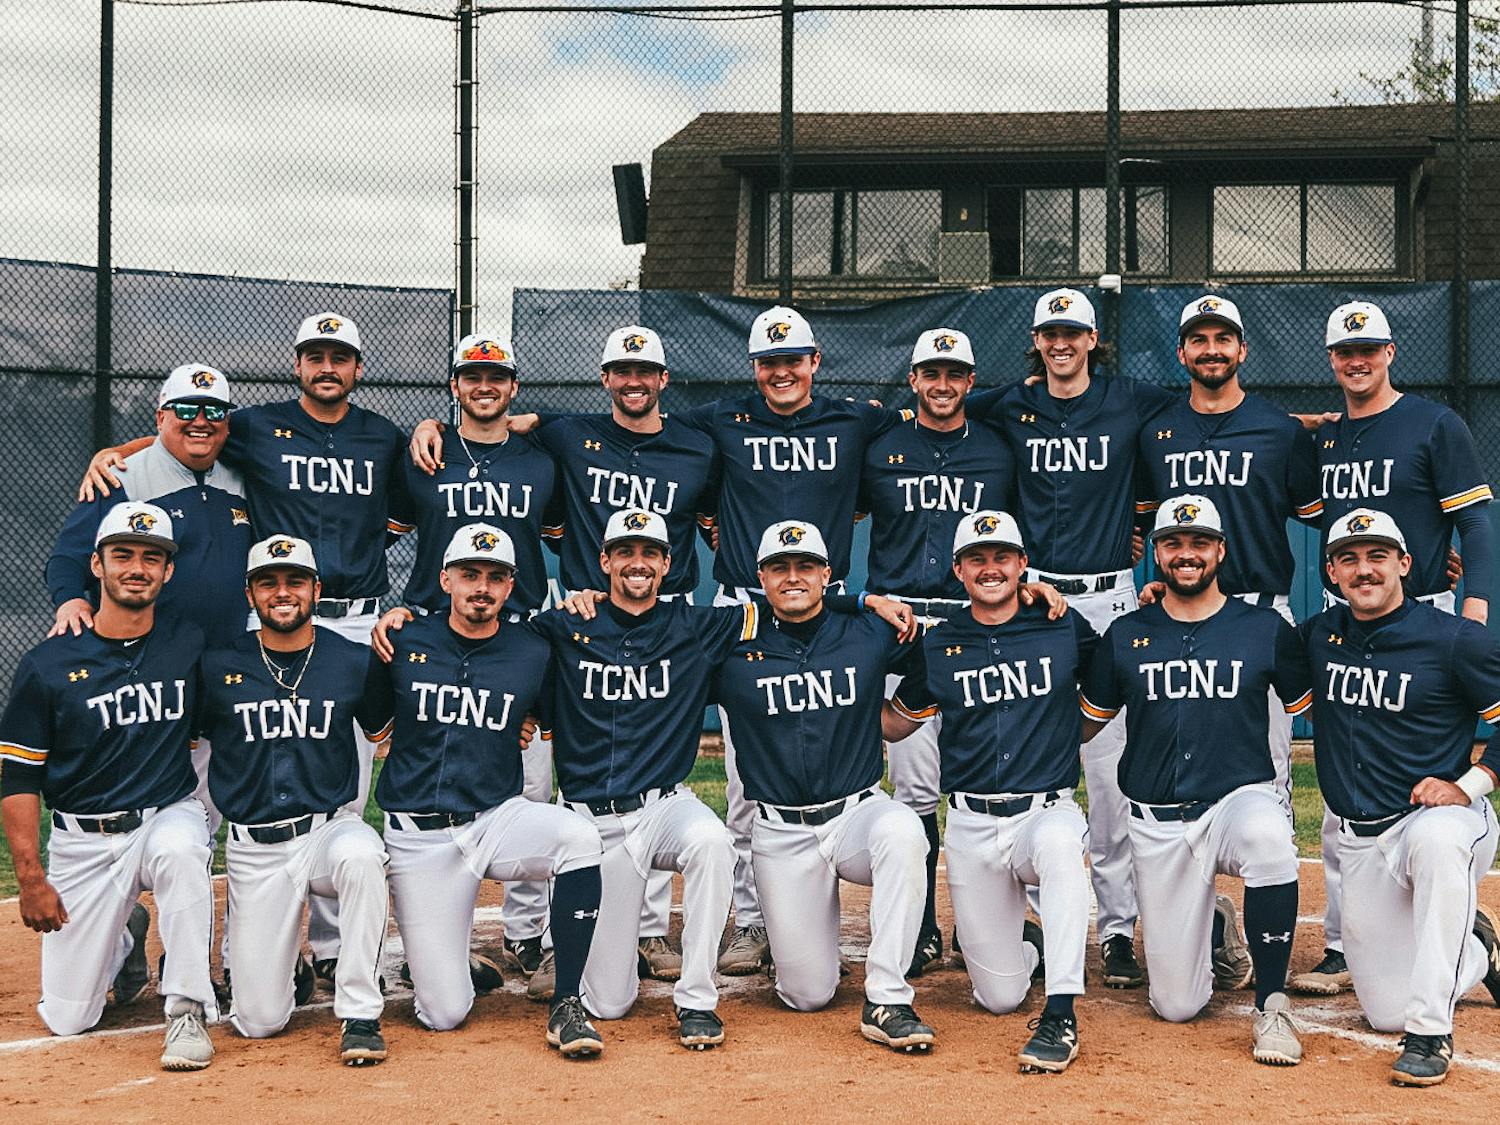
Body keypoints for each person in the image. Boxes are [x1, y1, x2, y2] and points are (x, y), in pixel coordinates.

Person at [82, 312, 411, 987]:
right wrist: (122, 452)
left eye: (339, 356)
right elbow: (193, 434)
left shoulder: (384, 436)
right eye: (315, 355)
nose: (327, 366)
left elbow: (405, 508)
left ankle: (329, 944)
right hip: (278, 613)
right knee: (254, 768)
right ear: (298, 364)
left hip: (353, 620)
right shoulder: (257, 425)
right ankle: (222, 945)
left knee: (343, 790)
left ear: (356, 367)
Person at [403, 324, 719, 983]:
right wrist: (433, 420)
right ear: (603, 377)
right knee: (544, 784)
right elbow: (505, 422)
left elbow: (713, 515)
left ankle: (647, 931)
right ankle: (529, 933)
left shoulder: (694, 445)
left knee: (642, 761)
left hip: (661, 609)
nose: (633, 380)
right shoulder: (563, 438)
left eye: (646, 369)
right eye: (620, 370)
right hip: (571, 610)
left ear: (663, 377)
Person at [537, 509, 913, 1047]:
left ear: (668, 564)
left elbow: (798, 605)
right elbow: (499, 642)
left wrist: (864, 600)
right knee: (611, 1003)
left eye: (649, 553)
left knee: (711, 839)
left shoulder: (699, 626)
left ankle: (696, 998)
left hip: (663, 805)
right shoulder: (564, 625)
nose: (637, 563)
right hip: (593, 823)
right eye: (624, 551)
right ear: (604, 561)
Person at [967, 288, 1174, 989]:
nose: (1061, 343)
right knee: (1028, 763)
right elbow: (938, 412)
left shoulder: (1130, 399)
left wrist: (1314, 420)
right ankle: (1023, 918)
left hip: (1111, 596)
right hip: (1035, 598)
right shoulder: (1006, 404)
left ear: (1093, 339)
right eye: (1049, 333)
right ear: (1037, 341)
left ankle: (1117, 930)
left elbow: (1215, 413)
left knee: (1110, 779)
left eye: (1072, 332)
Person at [1297, 300, 1495, 997]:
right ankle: (1344, 941)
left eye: (1369, 348)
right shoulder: (1326, 439)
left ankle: (1455, 868)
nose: (1358, 360)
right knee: (1345, 776)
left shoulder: (1433, 423)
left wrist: (1475, 601)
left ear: (1389, 353)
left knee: (1423, 768)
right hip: (1349, 610)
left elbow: (1476, 520)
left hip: (1425, 610)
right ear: (1331, 360)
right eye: (1345, 351)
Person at [1080, 495, 1313, 1065]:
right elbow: (1082, 727)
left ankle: (1273, 1004)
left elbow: (1323, 713)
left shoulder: (1264, 629)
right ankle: (1216, 926)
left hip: (1236, 801)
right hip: (1158, 822)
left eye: (1199, 543)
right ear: (1155, 553)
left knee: (1269, 836)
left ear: (1220, 551)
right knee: (1177, 1004)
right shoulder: (1126, 633)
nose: (1187, 554)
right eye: (1174, 544)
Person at [370, 523, 606, 1056]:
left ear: (511, 585)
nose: (482, 586)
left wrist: (518, 722)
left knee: (577, 837)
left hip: (494, 819)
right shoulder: (404, 638)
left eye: (495, 577)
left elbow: (543, 716)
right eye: (469, 574)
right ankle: (449, 961)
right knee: (444, 1013)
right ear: (444, 579)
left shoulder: (532, 648)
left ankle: (567, 1002)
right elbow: (374, 723)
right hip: (419, 836)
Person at [0, 502, 217, 1069]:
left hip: (165, 815)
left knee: (184, 849)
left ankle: (187, 1009)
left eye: (152, 557)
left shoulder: (186, 644)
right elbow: (19, 777)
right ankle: (125, 935)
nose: (137, 568)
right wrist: (31, 879)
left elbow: (205, 729)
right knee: (68, 1018)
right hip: (83, 841)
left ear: (169, 572)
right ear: (96, 565)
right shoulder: (47, 664)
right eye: (123, 555)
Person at [380, 332, 565, 983]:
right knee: (435, 776)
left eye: (496, 376)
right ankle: (435, 939)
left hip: (519, 635)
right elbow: (390, 533)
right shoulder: (423, 455)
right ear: (455, 385)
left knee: (531, 783)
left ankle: (529, 935)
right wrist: (397, 612)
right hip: (435, 631)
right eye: (471, 376)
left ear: (513, 386)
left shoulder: (540, 462)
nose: (484, 386)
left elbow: (553, 537)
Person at [883, 510, 1095, 1073]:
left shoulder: (1063, 625)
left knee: (1059, 849)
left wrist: (1067, 734)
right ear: (957, 569)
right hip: (972, 826)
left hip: (1044, 810)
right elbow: (898, 722)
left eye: (1002, 556)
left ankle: (1061, 1014)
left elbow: (1109, 685)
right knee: (998, 997)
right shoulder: (941, 643)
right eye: (977, 558)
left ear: (1023, 564)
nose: (990, 567)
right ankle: (1029, 945)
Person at [1300, 508, 1500, 1086]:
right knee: (1384, 1011)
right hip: (1363, 839)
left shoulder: (1456, 639)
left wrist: (1466, 786)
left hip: (1439, 820)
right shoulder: (1318, 636)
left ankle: (1432, 1031)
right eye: (1350, 559)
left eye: (1378, 556)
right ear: (1332, 573)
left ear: (1405, 565)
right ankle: (1480, 947)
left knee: (1440, 842)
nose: (1365, 570)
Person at [196, 535, 392, 1066]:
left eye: (295, 581)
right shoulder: (216, 667)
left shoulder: (352, 659)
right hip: (255, 846)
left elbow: (389, 732)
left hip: (329, 829)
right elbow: (186, 739)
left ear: (315, 589)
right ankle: (289, 970)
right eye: (268, 582)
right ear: (251, 594)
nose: (283, 592)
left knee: (363, 854)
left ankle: (359, 1012)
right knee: (260, 1023)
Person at [858, 328, 1016, 975]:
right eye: (931, 372)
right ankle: (921, 926)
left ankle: (1002, 920)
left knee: (991, 777)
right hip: (902, 626)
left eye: (955, 373)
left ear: (970, 382)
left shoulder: (997, 452)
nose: (943, 384)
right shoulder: (882, 448)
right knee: (916, 788)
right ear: (914, 379)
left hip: (975, 628)